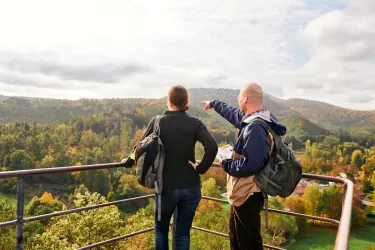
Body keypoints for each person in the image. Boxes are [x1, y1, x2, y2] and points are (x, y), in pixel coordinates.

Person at [202, 83, 286, 250]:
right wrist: (214, 103)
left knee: (248, 243)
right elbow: (234, 114)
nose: (238, 100)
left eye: (239, 97)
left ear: (246, 98)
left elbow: (251, 164)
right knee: (237, 238)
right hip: (244, 193)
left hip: (248, 193)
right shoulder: (256, 119)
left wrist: (226, 164)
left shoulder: (255, 127)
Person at [138, 85, 218, 250]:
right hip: (192, 187)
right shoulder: (195, 123)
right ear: (186, 102)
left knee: (161, 231)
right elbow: (212, 146)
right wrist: (200, 168)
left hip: (166, 187)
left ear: (169, 100)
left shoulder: (158, 121)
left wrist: (130, 160)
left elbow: (140, 147)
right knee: (182, 233)